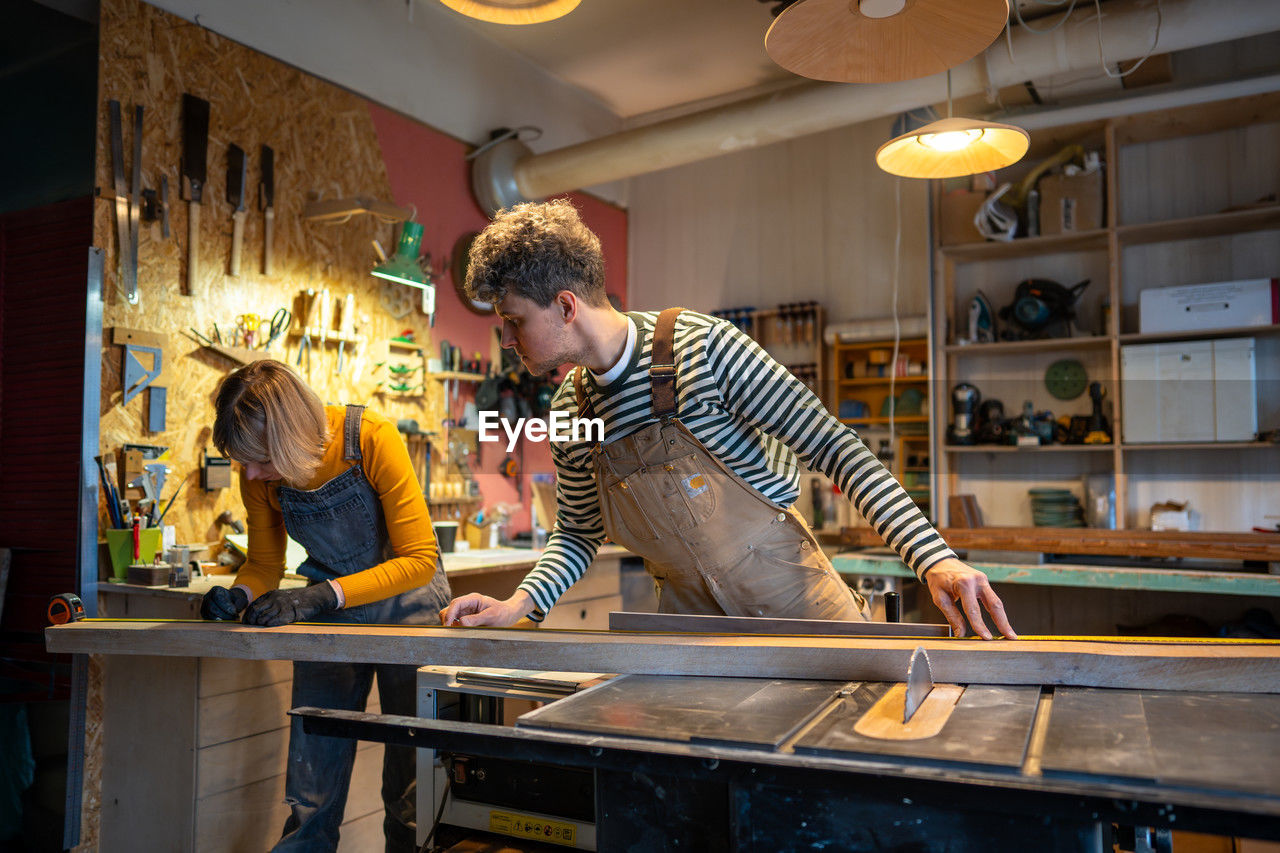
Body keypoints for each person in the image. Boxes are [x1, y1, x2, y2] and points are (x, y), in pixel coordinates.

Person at [442, 199, 1015, 640]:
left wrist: (932, 556)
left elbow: (835, 446)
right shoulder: (570, 408)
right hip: (693, 627)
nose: (508, 339)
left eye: (513, 321)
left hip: (798, 603)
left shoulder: (703, 348)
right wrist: (521, 603)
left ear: (566, 306)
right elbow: (577, 530)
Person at [199, 359, 451, 853]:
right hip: (328, 611)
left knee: (412, 793)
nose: (250, 474)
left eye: (260, 460)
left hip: (410, 611)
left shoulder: (371, 437)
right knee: (312, 795)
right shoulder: (259, 473)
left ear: (291, 437)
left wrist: (318, 595)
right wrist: (240, 593)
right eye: (243, 461)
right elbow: (265, 563)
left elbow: (419, 560)